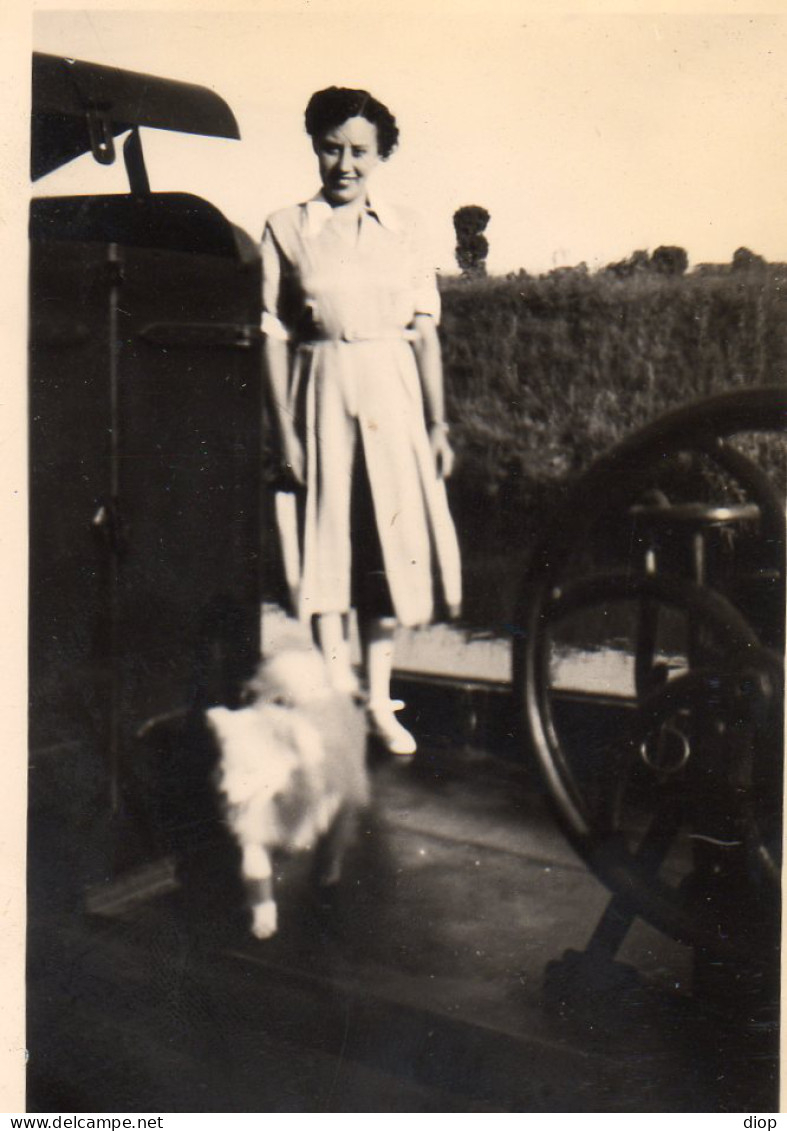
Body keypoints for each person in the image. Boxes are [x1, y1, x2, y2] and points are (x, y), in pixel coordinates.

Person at [261, 86, 462, 757]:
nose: (343, 163)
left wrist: (437, 426)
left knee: (384, 550)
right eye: (330, 147)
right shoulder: (286, 227)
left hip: (392, 398)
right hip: (318, 395)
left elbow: (426, 334)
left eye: (358, 151)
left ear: (380, 155)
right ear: (313, 145)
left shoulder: (406, 228)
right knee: (327, 548)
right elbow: (271, 334)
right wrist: (284, 433)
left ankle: (377, 698)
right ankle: (334, 696)